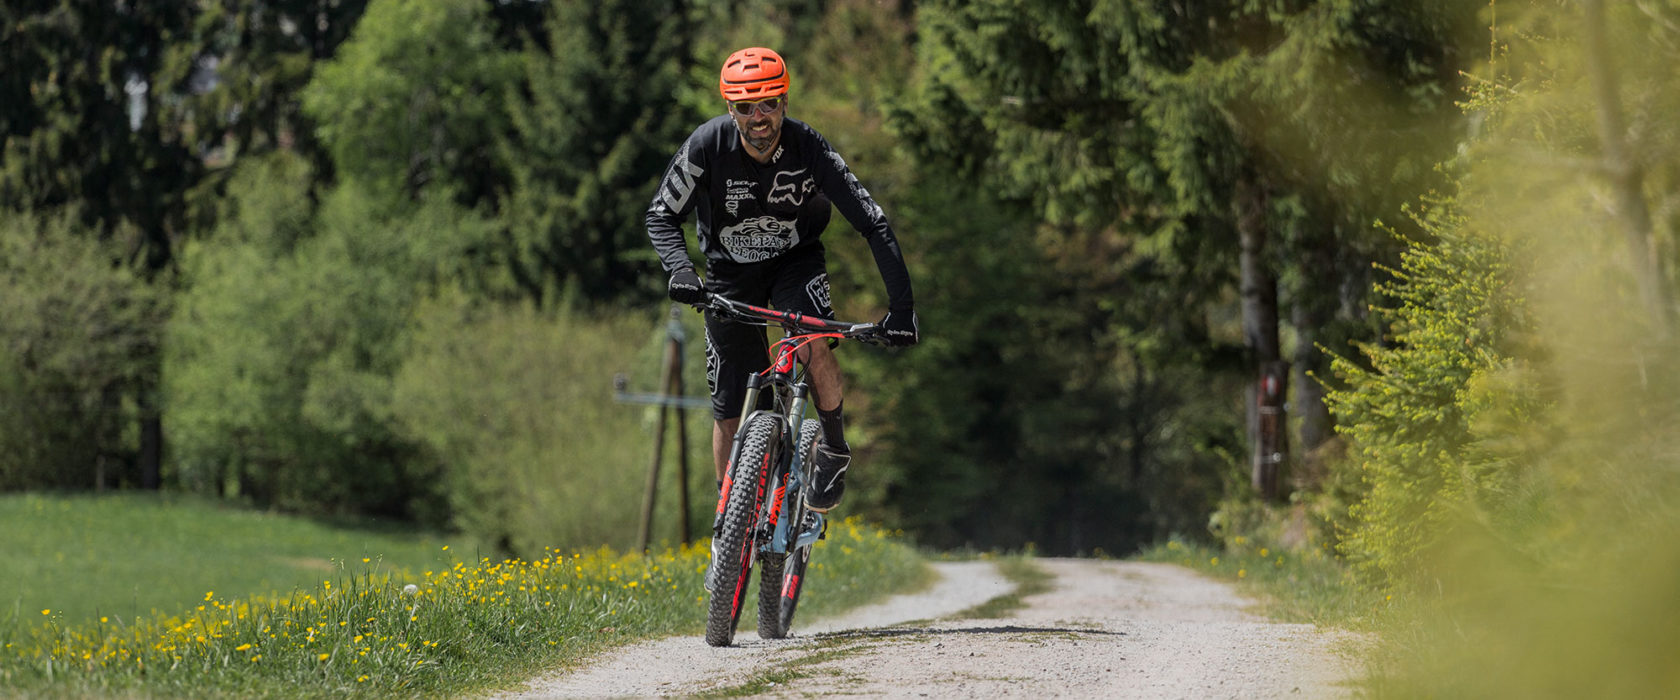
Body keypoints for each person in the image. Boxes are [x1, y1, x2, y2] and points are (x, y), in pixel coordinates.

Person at [646, 46, 918, 515]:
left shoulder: (809, 147)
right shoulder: (707, 145)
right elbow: (660, 215)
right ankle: (728, 521)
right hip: (728, 271)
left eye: (768, 103)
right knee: (731, 401)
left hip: (797, 261)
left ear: (785, 102)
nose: (758, 117)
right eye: (745, 107)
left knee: (812, 340)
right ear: (729, 109)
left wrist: (901, 309)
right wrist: (682, 270)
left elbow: (872, 221)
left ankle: (832, 447)